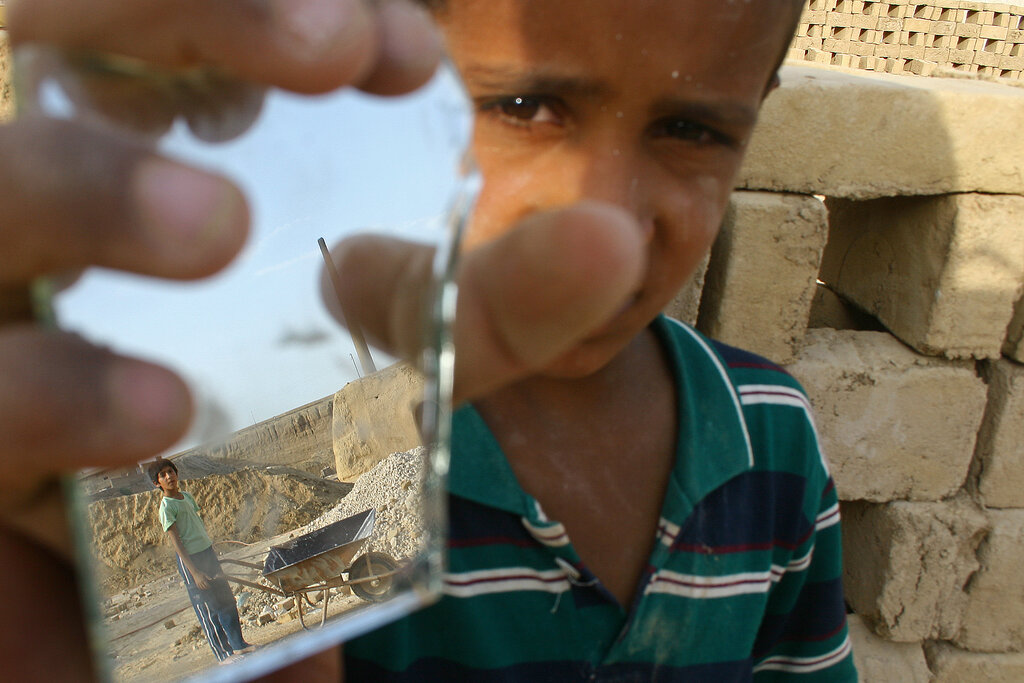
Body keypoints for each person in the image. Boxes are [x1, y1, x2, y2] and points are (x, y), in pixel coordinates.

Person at [0, 1, 856, 682]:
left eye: (692, 130)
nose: (607, 227)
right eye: (523, 107)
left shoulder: (770, 437)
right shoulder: (376, 494)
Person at [148, 457, 255, 663]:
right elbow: (177, 543)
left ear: (177, 473)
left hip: (207, 554)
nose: (169, 477)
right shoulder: (167, 507)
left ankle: (238, 645)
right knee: (209, 608)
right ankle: (223, 654)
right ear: (157, 483)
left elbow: (196, 527)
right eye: (163, 475)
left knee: (226, 600)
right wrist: (195, 572)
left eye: (171, 472)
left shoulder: (186, 497)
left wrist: (211, 553)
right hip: (191, 561)